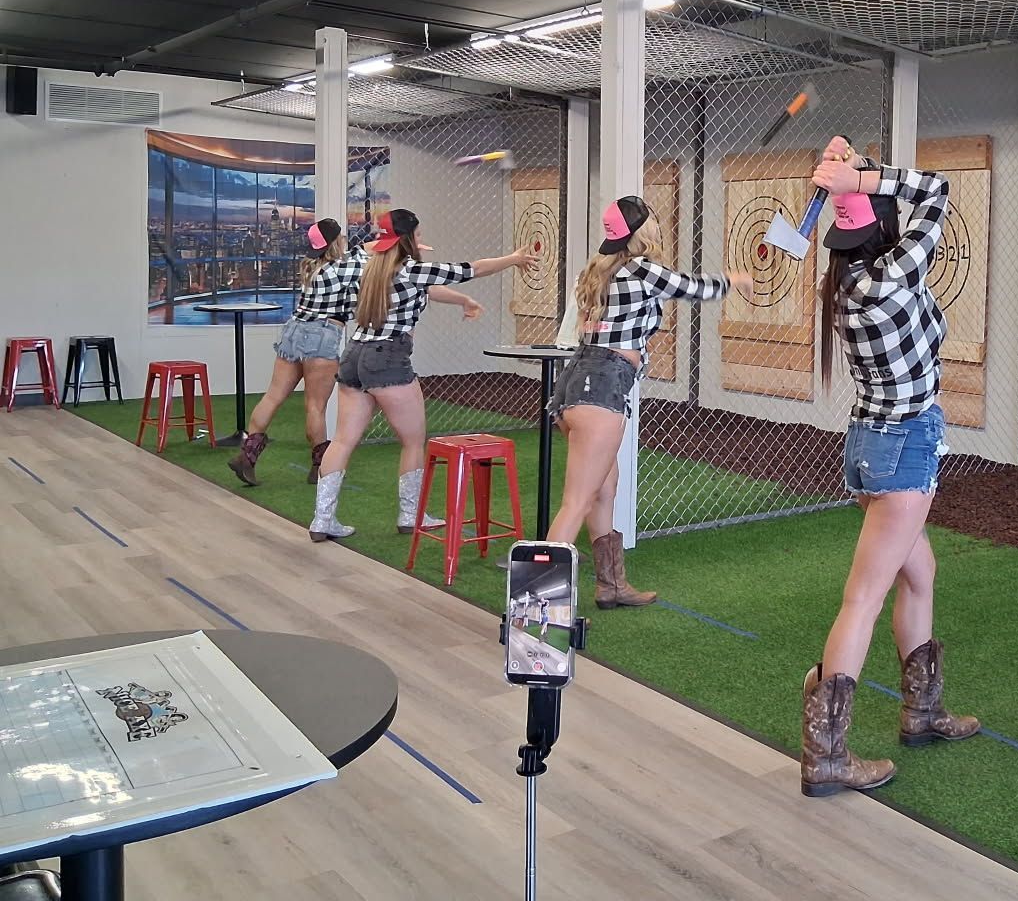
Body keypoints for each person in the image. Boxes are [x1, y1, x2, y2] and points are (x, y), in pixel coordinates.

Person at [799, 136, 980, 799]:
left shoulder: (845, 281)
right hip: (903, 444)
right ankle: (827, 753)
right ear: (882, 231)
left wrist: (848, 175)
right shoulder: (894, 273)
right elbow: (935, 190)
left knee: (920, 574)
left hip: (871, 443)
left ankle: (923, 712)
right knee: (864, 598)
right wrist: (866, 176)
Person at [544, 195, 754, 606]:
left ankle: (611, 586)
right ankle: (539, 606)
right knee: (577, 501)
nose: (658, 225)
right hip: (601, 385)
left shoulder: (600, 268)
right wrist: (735, 280)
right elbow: (691, 288)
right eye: (653, 219)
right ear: (643, 230)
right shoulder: (641, 268)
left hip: (580, 384)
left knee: (604, 489)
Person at [309, 209, 534, 541]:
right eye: (417, 235)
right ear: (409, 240)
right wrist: (514, 258)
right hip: (389, 358)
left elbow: (427, 287)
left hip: (355, 355)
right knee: (413, 442)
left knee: (342, 441)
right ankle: (411, 517)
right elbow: (472, 269)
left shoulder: (366, 267)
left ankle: (321, 520)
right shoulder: (413, 270)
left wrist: (460, 299)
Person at [227, 218, 481, 487]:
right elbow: (376, 253)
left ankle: (247, 457)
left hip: (294, 329)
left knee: (273, 396)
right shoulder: (349, 265)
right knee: (315, 406)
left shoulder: (312, 266)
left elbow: (369, 249)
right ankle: (319, 466)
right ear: (337, 242)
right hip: (323, 334)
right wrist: (407, 244)